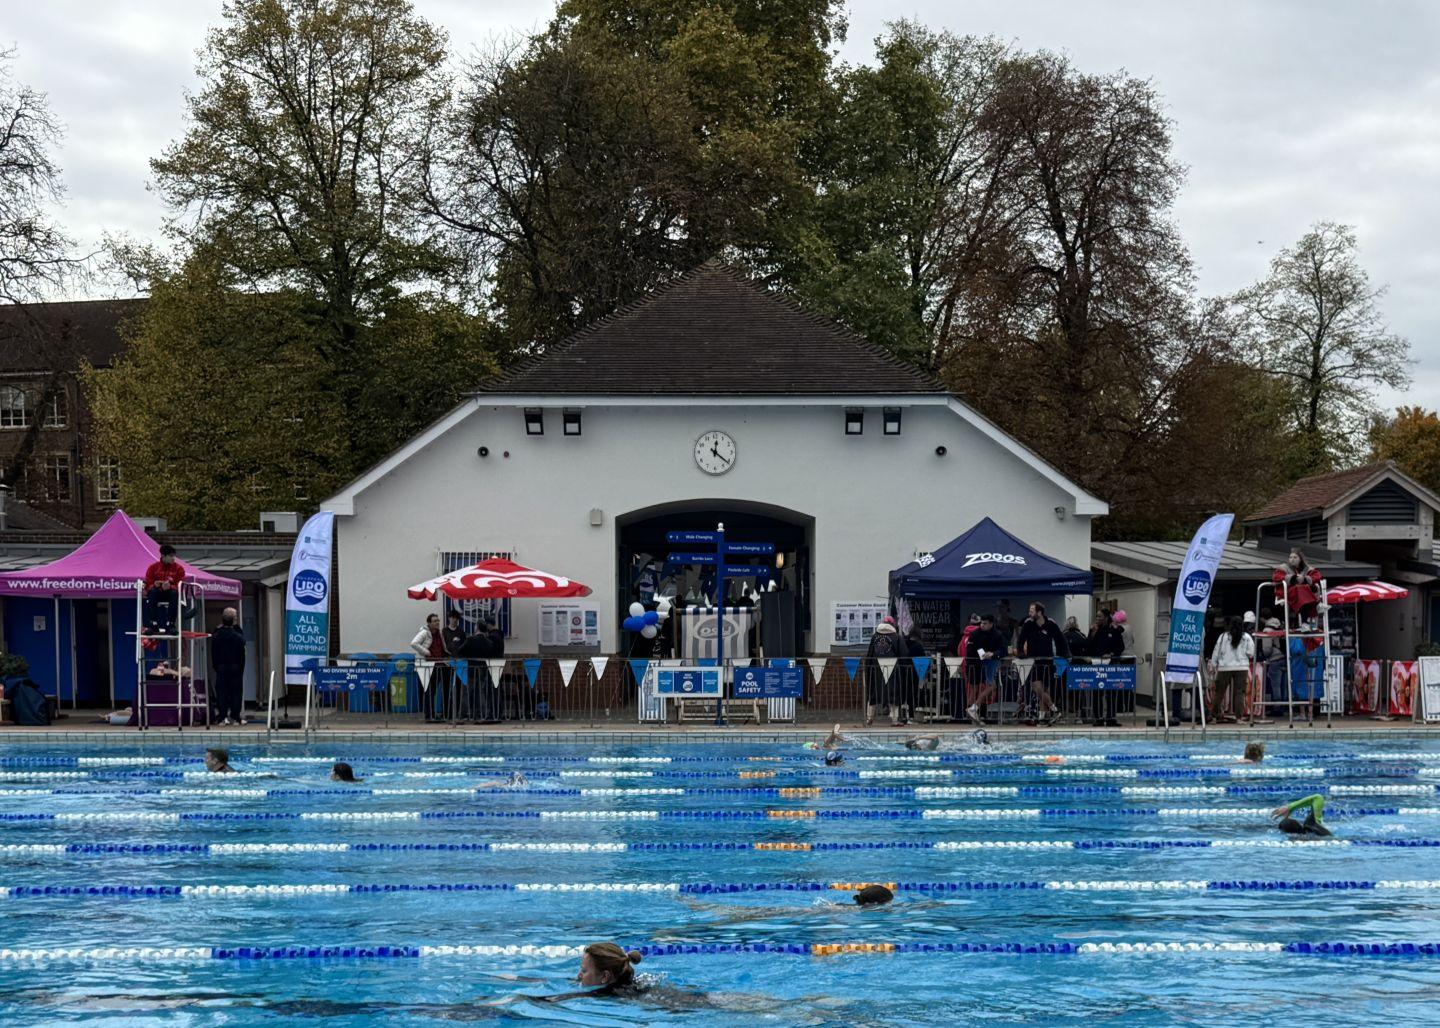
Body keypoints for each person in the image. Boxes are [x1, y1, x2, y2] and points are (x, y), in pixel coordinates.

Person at [1016, 602, 1068, 725]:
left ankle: (1043, 715)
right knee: (1036, 686)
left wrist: (1064, 653)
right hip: (1034, 661)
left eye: (1032, 611)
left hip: (1048, 660)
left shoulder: (1050, 623)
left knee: (1045, 689)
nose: (1029, 613)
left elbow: (1060, 639)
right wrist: (1020, 653)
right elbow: (1021, 640)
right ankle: (1054, 709)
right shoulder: (1028, 624)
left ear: (1039, 613)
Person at [1207, 616, 1254, 724]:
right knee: (1240, 693)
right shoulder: (1246, 637)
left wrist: (1214, 665)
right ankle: (1239, 718)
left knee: (1219, 692)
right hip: (1242, 667)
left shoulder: (1223, 637)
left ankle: (1214, 716)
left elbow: (1216, 651)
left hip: (1224, 667)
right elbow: (1251, 653)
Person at [864, 617, 909, 727]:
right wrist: (904, 668)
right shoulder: (896, 637)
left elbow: (869, 654)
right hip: (893, 669)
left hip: (876, 669)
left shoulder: (875, 637)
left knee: (873, 693)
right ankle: (894, 720)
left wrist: (868, 669)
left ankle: (869, 718)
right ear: (893, 625)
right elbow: (904, 654)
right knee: (894, 693)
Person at [964, 614, 1007, 723]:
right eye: (981, 623)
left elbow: (1003, 650)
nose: (982, 625)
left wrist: (993, 654)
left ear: (991, 624)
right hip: (974, 663)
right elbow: (970, 649)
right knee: (974, 688)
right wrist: (983, 654)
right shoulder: (975, 634)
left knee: (990, 686)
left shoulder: (997, 635)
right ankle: (972, 711)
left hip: (989, 663)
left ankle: (973, 708)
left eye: (985, 623)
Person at [1086, 611, 1126, 728]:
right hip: (1097, 665)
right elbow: (1087, 647)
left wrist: (1112, 654)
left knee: (1111, 692)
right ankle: (1098, 717)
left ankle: (1110, 717)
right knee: (1097, 692)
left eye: (1100, 616)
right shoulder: (1094, 630)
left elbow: (1121, 646)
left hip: (1110, 665)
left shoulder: (1114, 630)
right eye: (1096, 616)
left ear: (1106, 618)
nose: (1097, 619)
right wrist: (1092, 634)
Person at [210, 607, 247, 726]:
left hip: (221, 667)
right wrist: (241, 668)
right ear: (233, 620)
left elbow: (213, 653)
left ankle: (222, 716)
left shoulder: (216, 635)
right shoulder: (238, 636)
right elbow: (242, 654)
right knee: (236, 692)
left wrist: (216, 666)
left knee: (222, 692)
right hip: (235, 667)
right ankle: (235, 717)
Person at [1274, 549, 1324, 629]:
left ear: (1300, 559)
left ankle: (1305, 622)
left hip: (1304, 593)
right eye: (1290, 557)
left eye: (1295, 557)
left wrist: (1305, 579)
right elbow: (1277, 577)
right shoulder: (1283, 568)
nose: (1292, 559)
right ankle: (1316, 604)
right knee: (1301, 588)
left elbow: (1317, 576)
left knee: (1303, 588)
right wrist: (1294, 578)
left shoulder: (1308, 569)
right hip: (1289, 592)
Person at [142, 544, 186, 635]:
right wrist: (154, 584)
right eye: (170, 556)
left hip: (170, 594)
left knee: (174, 593)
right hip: (157, 593)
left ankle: (170, 625)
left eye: (174, 556)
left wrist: (170, 586)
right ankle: (153, 624)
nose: (173, 558)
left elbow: (180, 585)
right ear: (163, 556)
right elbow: (147, 584)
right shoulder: (153, 567)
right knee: (152, 592)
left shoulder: (179, 569)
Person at [409, 613, 446, 722]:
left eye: (438, 620)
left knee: (433, 691)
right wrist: (426, 652)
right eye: (435, 621)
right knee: (429, 691)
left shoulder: (439, 634)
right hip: (427, 665)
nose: (437, 622)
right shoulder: (424, 632)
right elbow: (414, 643)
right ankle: (429, 716)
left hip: (438, 665)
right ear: (429, 623)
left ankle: (433, 714)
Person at [577, 942, 646, 995]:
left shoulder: (608, 993)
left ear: (605, 976)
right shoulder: (635, 983)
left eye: (584, 971)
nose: (579, 975)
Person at [951, 614, 981, 719]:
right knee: (978, 690)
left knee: (969, 689)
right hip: (977, 665)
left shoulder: (964, 636)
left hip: (965, 666)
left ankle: (969, 710)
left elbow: (959, 651)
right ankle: (972, 711)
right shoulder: (978, 635)